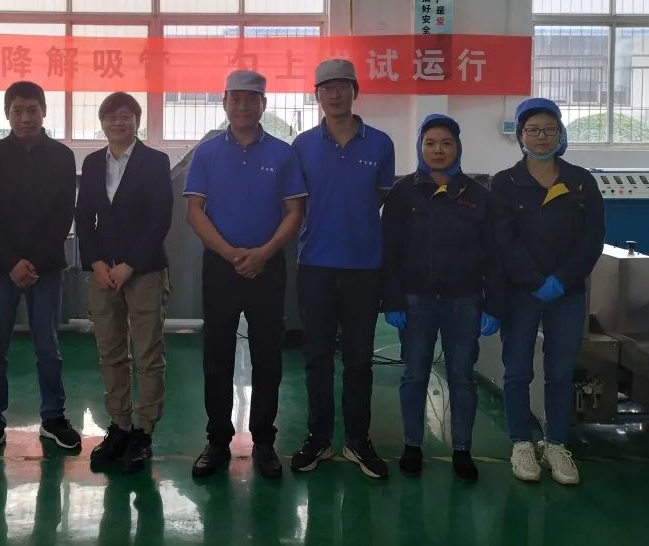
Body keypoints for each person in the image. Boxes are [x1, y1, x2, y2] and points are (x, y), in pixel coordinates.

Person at [183, 70, 307, 479]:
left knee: (268, 356)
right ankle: (217, 440)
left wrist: (264, 253)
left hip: (268, 267)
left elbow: (295, 212)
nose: (242, 106)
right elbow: (194, 211)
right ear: (224, 103)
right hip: (220, 267)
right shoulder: (207, 153)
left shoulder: (283, 154)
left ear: (263, 105)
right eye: (235, 99)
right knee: (216, 355)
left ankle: (264, 442)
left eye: (251, 99)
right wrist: (229, 252)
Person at [380, 114, 503, 483]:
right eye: (430, 143)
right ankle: (412, 445)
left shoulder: (478, 195)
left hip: (464, 301)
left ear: (457, 147)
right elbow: (389, 250)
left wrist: (492, 304)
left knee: (462, 377)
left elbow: (494, 254)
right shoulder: (403, 193)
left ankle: (462, 448)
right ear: (420, 147)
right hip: (415, 301)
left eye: (446, 143)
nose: (438, 150)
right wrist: (392, 300)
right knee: (414, 374)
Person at [289, 58, 395, 478]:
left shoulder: (381, 144)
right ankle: (318, 438)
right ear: (316, 95)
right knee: (316, 357)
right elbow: (296, 202)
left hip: (364, 266)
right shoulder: (302, 145)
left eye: (342, 87)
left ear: (355, 91)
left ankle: (357, 440)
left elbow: (379, 196)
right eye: (326, 88)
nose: (334, 95)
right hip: (315, 264)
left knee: (359, 359)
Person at [491, 97, 605, 485]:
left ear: (561, 133)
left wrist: (563, 280)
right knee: (517, 370)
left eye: (549, 129)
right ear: (520, 136)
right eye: (533, 130)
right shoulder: (504, 183)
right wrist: (534, 281)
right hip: (520, 294)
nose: (542, 136)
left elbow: (592, 238)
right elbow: (502, 240)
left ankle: (556, 443)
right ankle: (521, 443)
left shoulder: (580, 181)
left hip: (566, 294)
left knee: (559, 371)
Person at [0, 81, 81, 461]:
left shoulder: (62, 157)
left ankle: (53, 417)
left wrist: (33, 260)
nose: (26, 117)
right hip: (0, 268)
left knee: (48, 345)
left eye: (33, 110)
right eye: (17, 110)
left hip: (45, 268)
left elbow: (63, 214)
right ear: (7, 115)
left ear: (44, 112)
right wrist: (10, 262)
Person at [75, 92, 174, 474]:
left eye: (125, 116)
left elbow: (160, 219)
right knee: (110, 352)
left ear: (137, 121)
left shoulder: (155, 161)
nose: (118, 123)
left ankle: (143, 431)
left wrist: (130, 265)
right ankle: (119, 425)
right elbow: (84, 218)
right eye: (111, 117)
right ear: (102, 122)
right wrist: (97, 262)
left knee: (148, 353)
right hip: (104, 273)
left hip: (144, 271)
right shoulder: (92, 162)